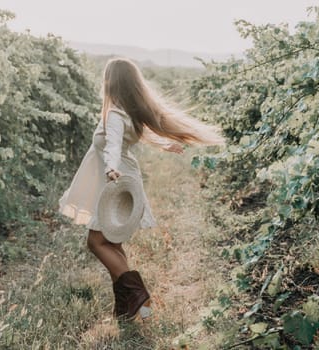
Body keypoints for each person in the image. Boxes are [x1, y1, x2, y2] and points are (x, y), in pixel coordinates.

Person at [58, 57, 223, 321]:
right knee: (111, 242)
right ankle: (126, 307)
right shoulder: (127, 112)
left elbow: (112, 143)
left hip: (114, 178)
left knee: (95, 242)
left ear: (111, 83)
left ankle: (136, 293)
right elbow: (134, 135)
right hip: (125, 176)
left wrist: (111, 167)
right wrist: (165, 145)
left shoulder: (113, 113)